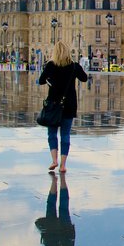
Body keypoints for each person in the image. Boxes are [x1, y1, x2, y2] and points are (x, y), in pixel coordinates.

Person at [38, 41, 88, 173]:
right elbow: (84, 78)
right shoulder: (74, 66)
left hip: (53, 104)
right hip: (69, 104)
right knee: (65, 134)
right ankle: (63, 165)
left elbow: (41, 80)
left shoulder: (51, 65)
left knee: (52, 133)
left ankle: (54, 160)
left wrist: (51, 82)